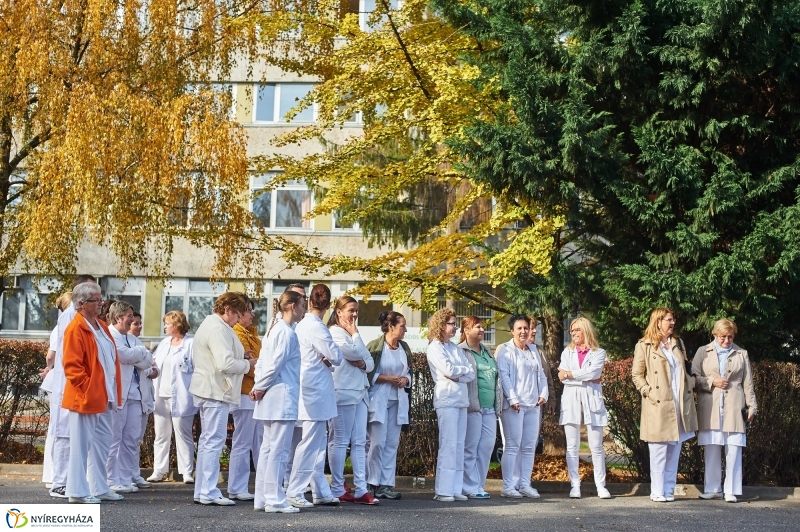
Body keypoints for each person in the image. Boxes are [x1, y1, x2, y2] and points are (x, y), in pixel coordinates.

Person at [190, 292, 256, 505]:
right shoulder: (218, 328)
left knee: (208, 440)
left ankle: (203, 490)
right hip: (215, 390)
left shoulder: (216, 325)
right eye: (237, 313)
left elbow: (224, 357)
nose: (239, 318)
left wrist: (241, 356)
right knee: (214, 441)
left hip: (212, 389)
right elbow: (224, 363)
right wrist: (247, 364)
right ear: (227, 310)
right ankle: (208, 491)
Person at [62, 281, 123, 503]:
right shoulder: (75, 328)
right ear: (81, 303)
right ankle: (77, 492)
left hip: (104, 395)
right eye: (96, 300)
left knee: (102, 443)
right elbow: (72, 366)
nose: (101, 303)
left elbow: (109, 360)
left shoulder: (101, 326)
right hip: (85, 397)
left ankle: (99, 487)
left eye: (101, 299)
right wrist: (88, 388)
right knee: (81, 446)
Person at [632, 307, 698, 502]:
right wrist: (648, 392)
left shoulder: (678, 343)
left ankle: (669, 490)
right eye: (669, 320)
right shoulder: (644, 345)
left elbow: (683, 368)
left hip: (679, 402)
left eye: (673, 320)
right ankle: (657, 491)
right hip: (658, 403)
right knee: (659, 450)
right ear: (658, 321)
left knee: (674, 449)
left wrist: (690, 382)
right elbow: (636, 374)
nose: (672, 323)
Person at [287, 284, 343, 508]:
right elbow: (336, 355)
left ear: (309, 301)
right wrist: (330, 357)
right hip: (314, 391)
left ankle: (320, 490)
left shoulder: (304, 325)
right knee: (310, 443)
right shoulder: (315, 327)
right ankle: (295, 490)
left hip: (312, 389)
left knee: (317, 443)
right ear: (329, 305)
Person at [252, 290, 306, 513]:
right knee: (279, 450)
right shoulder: (286, 332)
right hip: (280, 394)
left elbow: (264, 363)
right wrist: (260, 386)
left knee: (268, 448)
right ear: (293, 306)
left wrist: (259, 385)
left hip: (270, 394)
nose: (304, 309)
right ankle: (274, 499)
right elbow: (274, 365)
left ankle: (262, 498)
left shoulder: (274, 330)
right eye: (302, 305)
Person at [692, 319, 757, 503]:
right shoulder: (702, 351)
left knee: (734, 448)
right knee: (712, 447)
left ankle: (731, 490)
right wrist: (712, 381)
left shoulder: (741, 353)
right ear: (714, 335)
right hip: (711, 406)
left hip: (735, 406)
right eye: (723, 337)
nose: (727, 341)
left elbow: (748, 383)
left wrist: (752, 406)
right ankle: (713, 489)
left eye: (730, 337)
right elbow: (694, 378)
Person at [45, 275, 96, 500]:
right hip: (68, 383)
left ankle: (71, 481)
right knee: (64, 433)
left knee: (74, 435)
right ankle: (60, 482)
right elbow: (67, 354)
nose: (99, 301)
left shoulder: (81, 318)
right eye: (94, 295)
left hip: (76, 383)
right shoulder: (70, 317)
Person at [327, 296, 377, 505]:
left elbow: (370, 362)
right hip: (343, 392)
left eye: (356, 310)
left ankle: (361, 489)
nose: (354, 314)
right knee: (340, 441)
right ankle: (338, 487)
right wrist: (357, 344)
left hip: (360, 393)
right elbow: (353, 352)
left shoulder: (353, 333)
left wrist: (361, 361)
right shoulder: (335, 332)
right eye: (350, 310)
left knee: (359, 442)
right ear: (339, 312)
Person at [557, 316, 612, 499]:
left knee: (596, 446)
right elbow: (561, 376)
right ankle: (575, 485)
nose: (573, 333)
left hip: (592, 400)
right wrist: (585, 377)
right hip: (571, 400)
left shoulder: (599, 353)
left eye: (577, 330)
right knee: (572, 446)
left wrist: (571, 374)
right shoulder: (567, 352)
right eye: (571, 331)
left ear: (586, 330)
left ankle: (601, 485)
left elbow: (594, 372)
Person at [496, 314, 548, 499]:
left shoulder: (532, 349)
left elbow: (541, 375)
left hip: (533, 405)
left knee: (528, 447)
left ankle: (525, 484)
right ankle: (508, 486)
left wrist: (543, 393)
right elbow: (504, 377)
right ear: (512, 331)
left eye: (526, 328)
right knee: (512, 445)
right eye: (519, 328)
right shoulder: (506, 351)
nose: (523, 331)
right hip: (514, 406)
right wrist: (512, 398)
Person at [106, 302, 156, 493]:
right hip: (118, 393)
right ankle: (110, 479)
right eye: (129, 317)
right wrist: (141, 354)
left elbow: (147, 361)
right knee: (114, 438)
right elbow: (122, 355)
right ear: (118, 318)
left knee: (131, 438)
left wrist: (140, 355)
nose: (132, 320)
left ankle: (125, 478)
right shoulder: (110, 334)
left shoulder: (131, 338)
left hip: (135, 394)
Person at [426, 308, 475, 502]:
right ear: (441, 325)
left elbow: (469, 373)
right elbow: (447, 370)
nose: (455, 327)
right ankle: (443, 490)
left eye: (455, 324)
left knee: (459, 445)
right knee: (448, 444)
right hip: (446, 400)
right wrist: (458, 372)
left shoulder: (455, 348)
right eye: (452, 324)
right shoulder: (435, 347)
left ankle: (455, 488)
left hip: (461, 400)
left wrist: (458, 374)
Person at [365, 311, 412, 500]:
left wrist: (405, 380)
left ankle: (385, 484)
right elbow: (367, 374)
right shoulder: (375, 346)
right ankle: (370, 483)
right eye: (402, 326)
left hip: (398, 401)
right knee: (376, 443)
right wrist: (387, 378)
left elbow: (409, 373)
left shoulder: (404, 347)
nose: (405, 330)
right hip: (379, 400)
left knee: (392, 444)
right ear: (391, 326)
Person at [148, 311, 197, 484]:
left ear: (176, 325)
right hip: (161, 395)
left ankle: (186, 472)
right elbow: (153, 362)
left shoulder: (191, 344)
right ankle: (159, 471)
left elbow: (197, 370)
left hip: (183, 397)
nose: (165, 326)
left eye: (167, 323)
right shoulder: (163, 343)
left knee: (183, 435)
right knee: (161, 435)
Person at [457, 315, 501, 500]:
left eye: (482, 327)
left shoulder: (487, 352)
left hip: (490, 408)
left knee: (486, 447)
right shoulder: (460, 351)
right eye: (477, 327)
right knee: (470, 447)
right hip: (472, 407)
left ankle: (479, 484)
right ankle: (469, 486)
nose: (482, 330)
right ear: (466, 330)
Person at [227, 294, 264, 501]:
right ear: (239, 314)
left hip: (255, 393)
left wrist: (257, 361)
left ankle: (260, 485)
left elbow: (256, 361)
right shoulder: (237, 335)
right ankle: (236, 487)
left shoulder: (252, 336)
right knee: (243, 442)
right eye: (249, 310)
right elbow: (248, 366)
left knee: (257, 441)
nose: (252, 314)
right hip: (244, 393)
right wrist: (259, 363)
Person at [40, 292, 71, 490]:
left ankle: (54, 473)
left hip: (59, 379)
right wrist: (50, 369)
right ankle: (52, 473)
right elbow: (50, 356)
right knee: (57, 428)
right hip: (57, 381)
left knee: (58, 427)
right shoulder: (62, 325)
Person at [127, 311, 154, 489]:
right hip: (130, 395)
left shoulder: (138, 343)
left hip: (143, 395)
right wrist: (145, 361)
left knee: (137, 438)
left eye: (139, 322)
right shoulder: (124, 342)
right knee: (127, 439)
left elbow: (150, 364)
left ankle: (134, 474)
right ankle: (125, 475)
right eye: (135, 323)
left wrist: (147, 363)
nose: (139, 326)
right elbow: (143, 362)